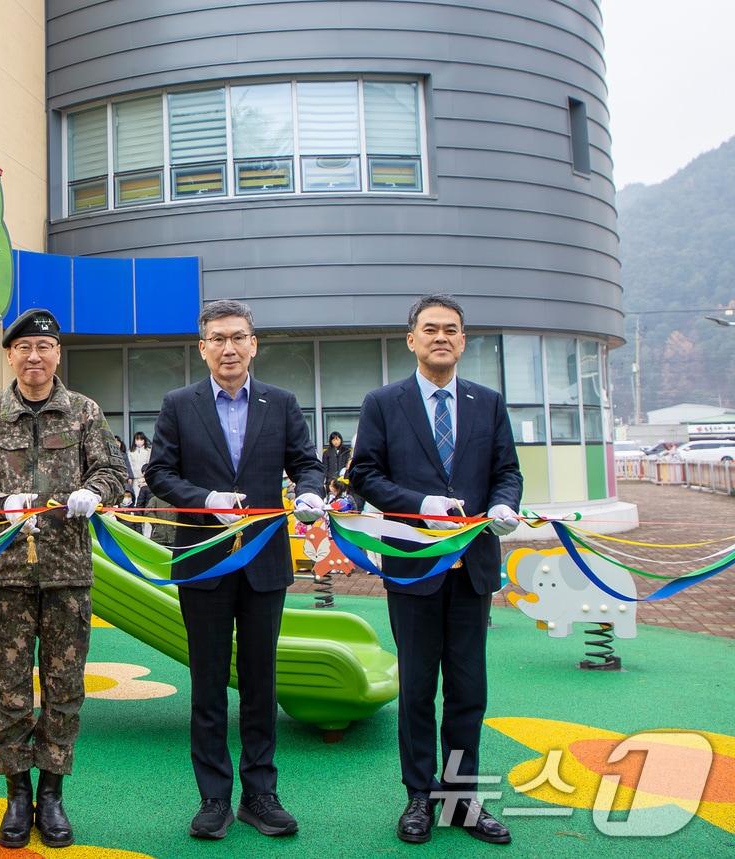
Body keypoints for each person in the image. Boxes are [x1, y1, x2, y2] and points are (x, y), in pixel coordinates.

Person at [144, 299, 326, 841]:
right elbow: (159, 473)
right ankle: (213, 799)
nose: (229, 348)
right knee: (207, 683)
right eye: (217, 339)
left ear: (254, 344)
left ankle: (261, 794)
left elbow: (308, 463)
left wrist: (312, 493)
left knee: (259, 682)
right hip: (204, 563)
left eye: (238, 337)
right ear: (202, 348)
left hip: (265, 563)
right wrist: (205, 499)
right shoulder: (179, 404)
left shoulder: (281, 402)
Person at [0, 307, 128, 849]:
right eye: (24, 347)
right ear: (10, 355)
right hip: (7, 573)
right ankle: (16, 794)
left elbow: (116, 472)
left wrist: (95, 491)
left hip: (67, 574)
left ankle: (51, 792)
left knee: (64, 686)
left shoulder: (84, 412)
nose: (34, 356)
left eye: (44, 347)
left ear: (57, 355)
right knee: (9, 688)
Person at [349, 294, 522, 846]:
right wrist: (421, 506)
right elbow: (365, 477)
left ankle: (461, 797)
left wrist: (502, 505)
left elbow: (507, 471)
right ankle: (419, 797)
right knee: (419, 687)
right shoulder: (383, 402)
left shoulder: (488, 402)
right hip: (413, 567)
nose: (441, 337)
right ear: (411, 340)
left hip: (472, 567)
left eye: (451, 329)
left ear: (463, 341)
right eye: (430, 329)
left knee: (468, 688)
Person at [128, 431, 152, 509]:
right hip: (134, 479)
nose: (139, 441)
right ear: (134, 441)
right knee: (135, 497)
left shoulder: (148, 451)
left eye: (141, 439)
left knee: (145, 497)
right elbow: (130, 465)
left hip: (145, 479)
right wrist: (130, 476)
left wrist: (145, 476)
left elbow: (149, 464)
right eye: (137, 439)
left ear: (144, 440)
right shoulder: (130, 451)